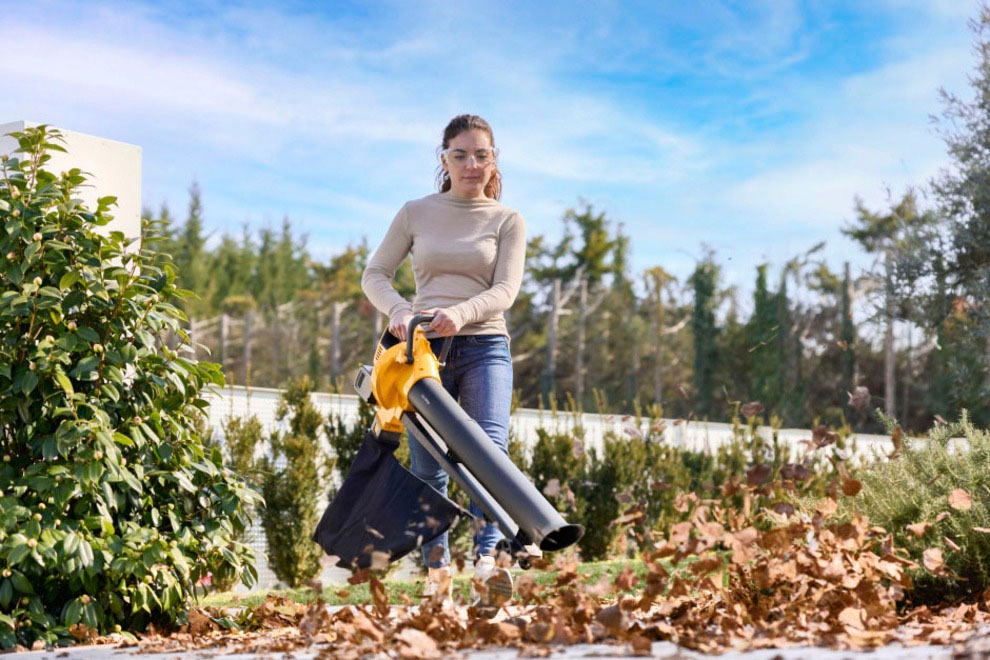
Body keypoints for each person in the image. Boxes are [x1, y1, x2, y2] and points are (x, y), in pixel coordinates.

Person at [361, 114, 525, 611]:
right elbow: (375, 273)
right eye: (461, 154)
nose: (472, 164)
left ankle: (487, 565)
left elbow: (506, 290)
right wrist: (401, 311)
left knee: (488, 454)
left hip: (484, 346)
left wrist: (461, 313)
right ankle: (437, 574)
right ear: (444, 159)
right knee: (429, 467)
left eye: (482, 155)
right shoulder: (416, 212)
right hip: (422, 353)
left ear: (494, 160)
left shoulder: (507, 220)